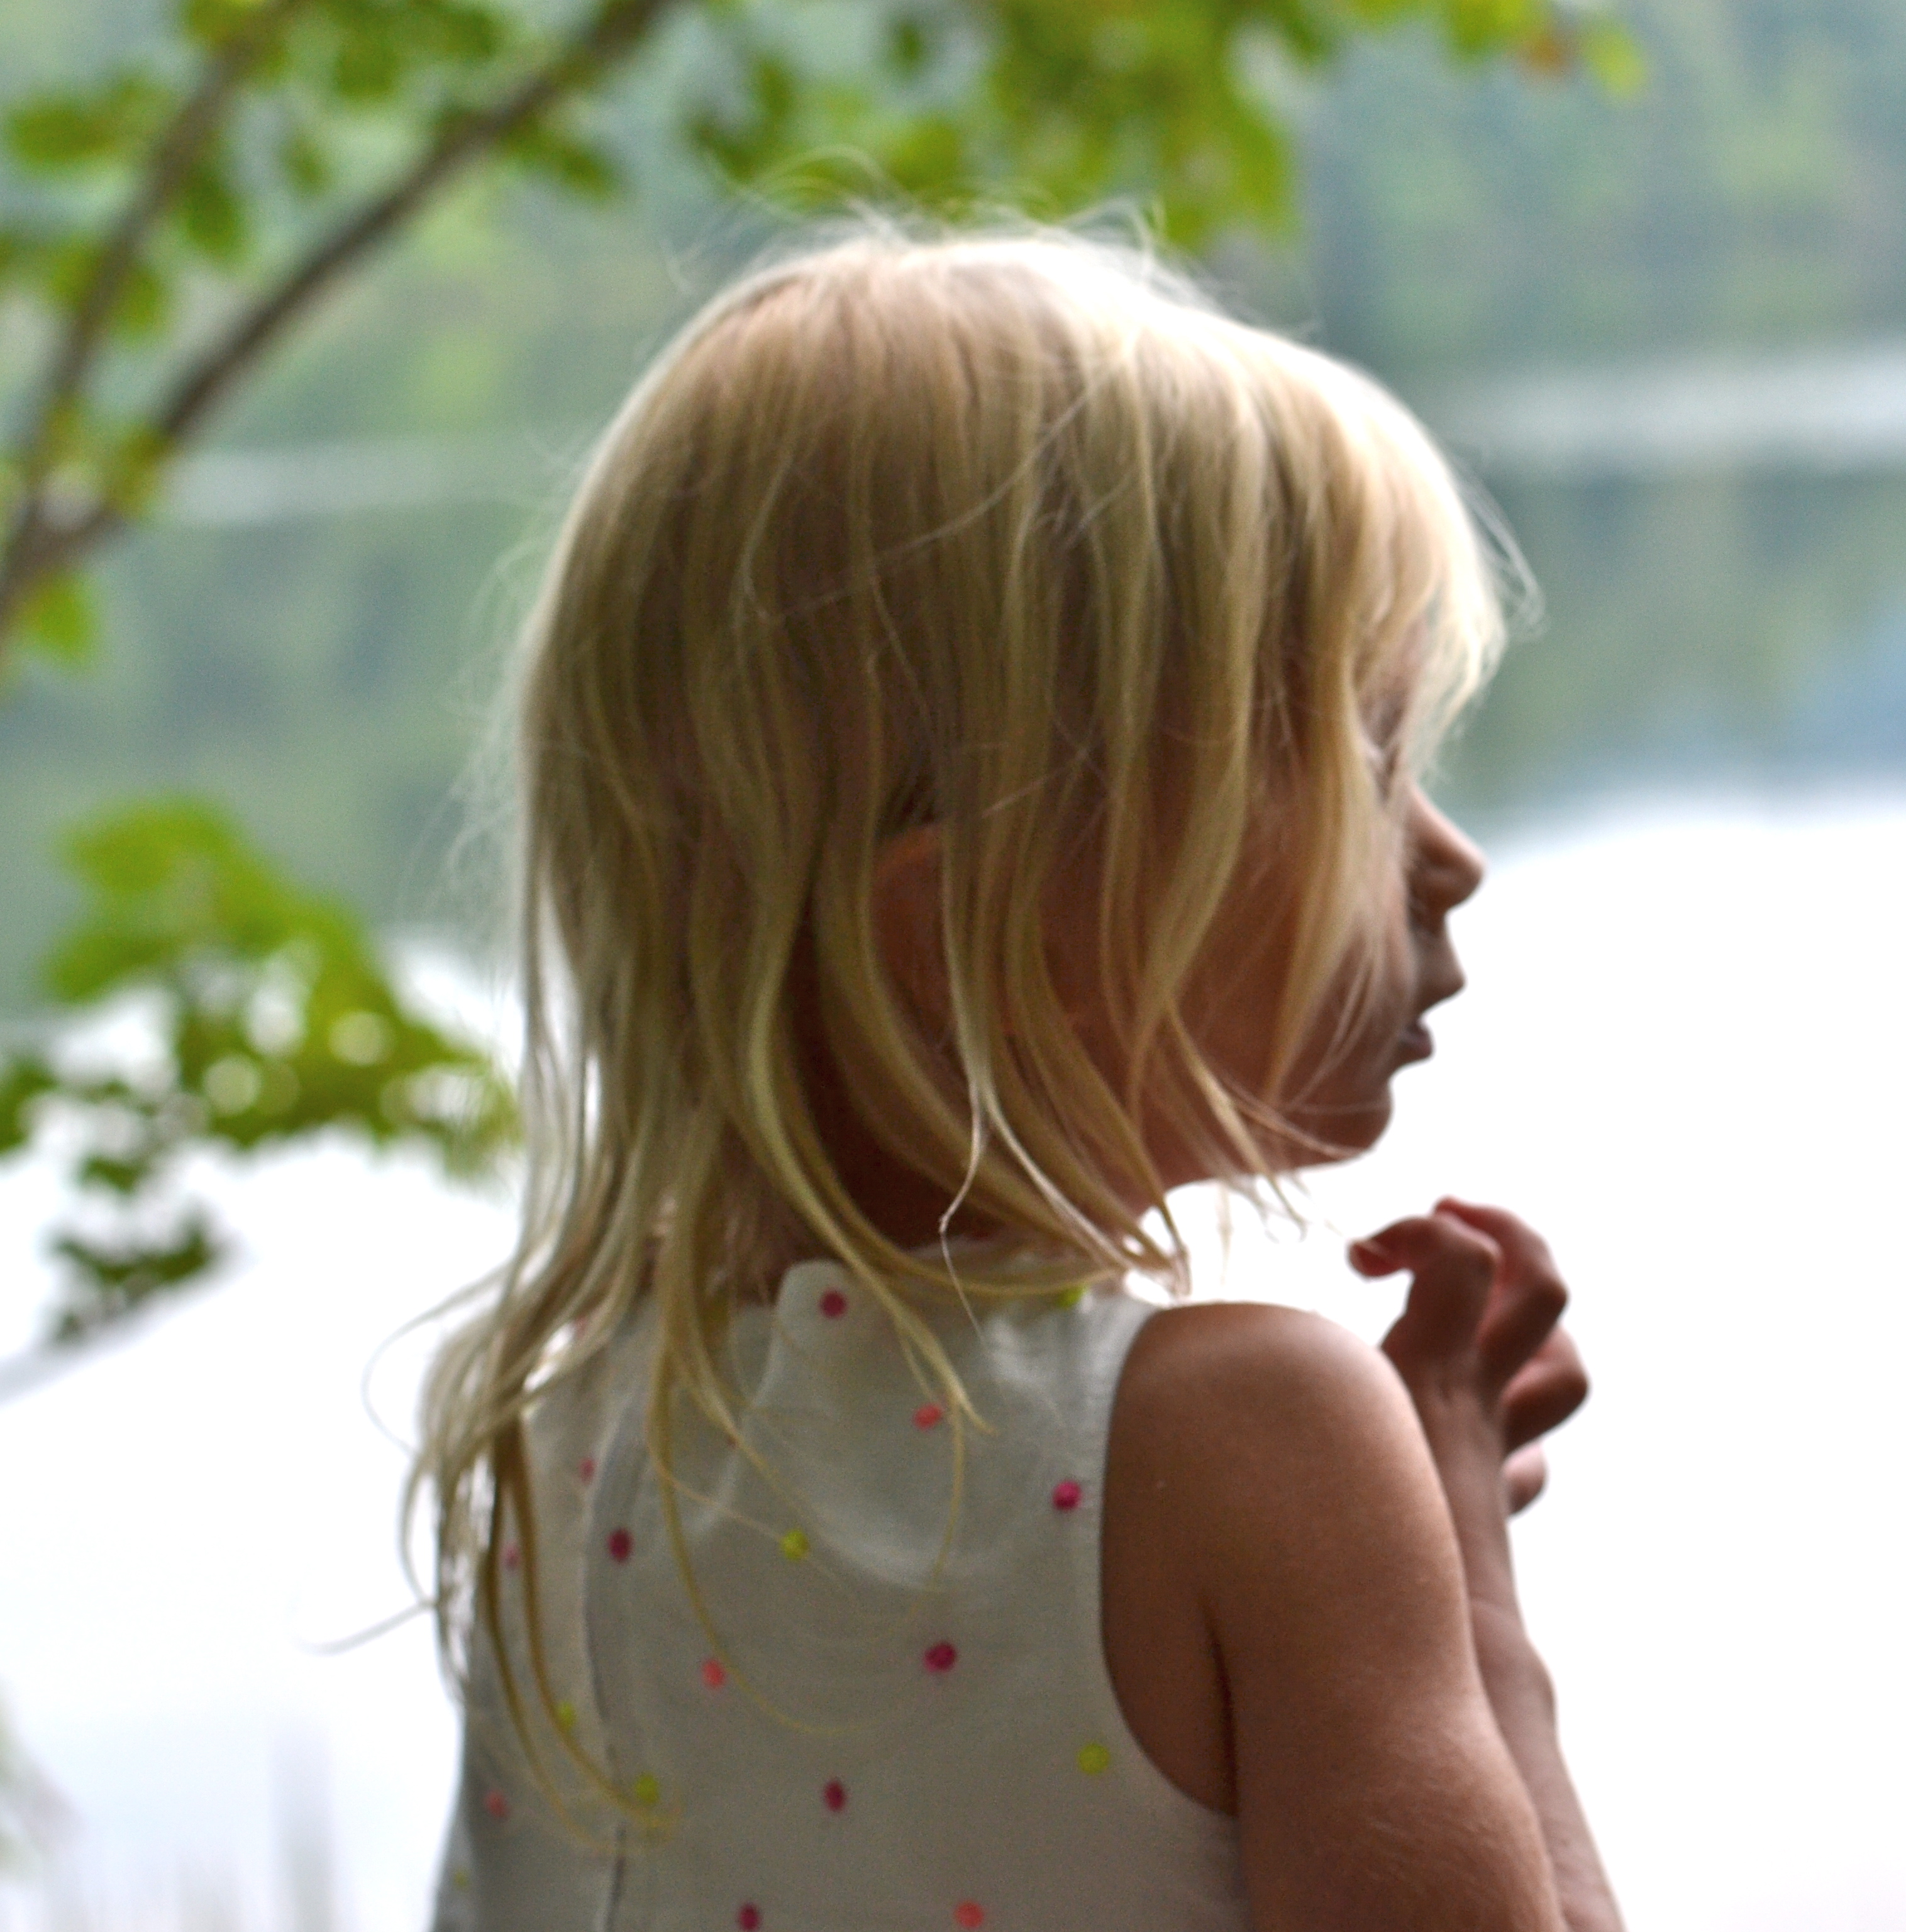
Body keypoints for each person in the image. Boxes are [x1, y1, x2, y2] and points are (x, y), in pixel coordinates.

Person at [413, 226, 1622, 1932]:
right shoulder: (1256, 1447)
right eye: (1363, 758)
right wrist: (1465, 1583)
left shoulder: (572, 1453)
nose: (1451, 858)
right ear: (971, 923)